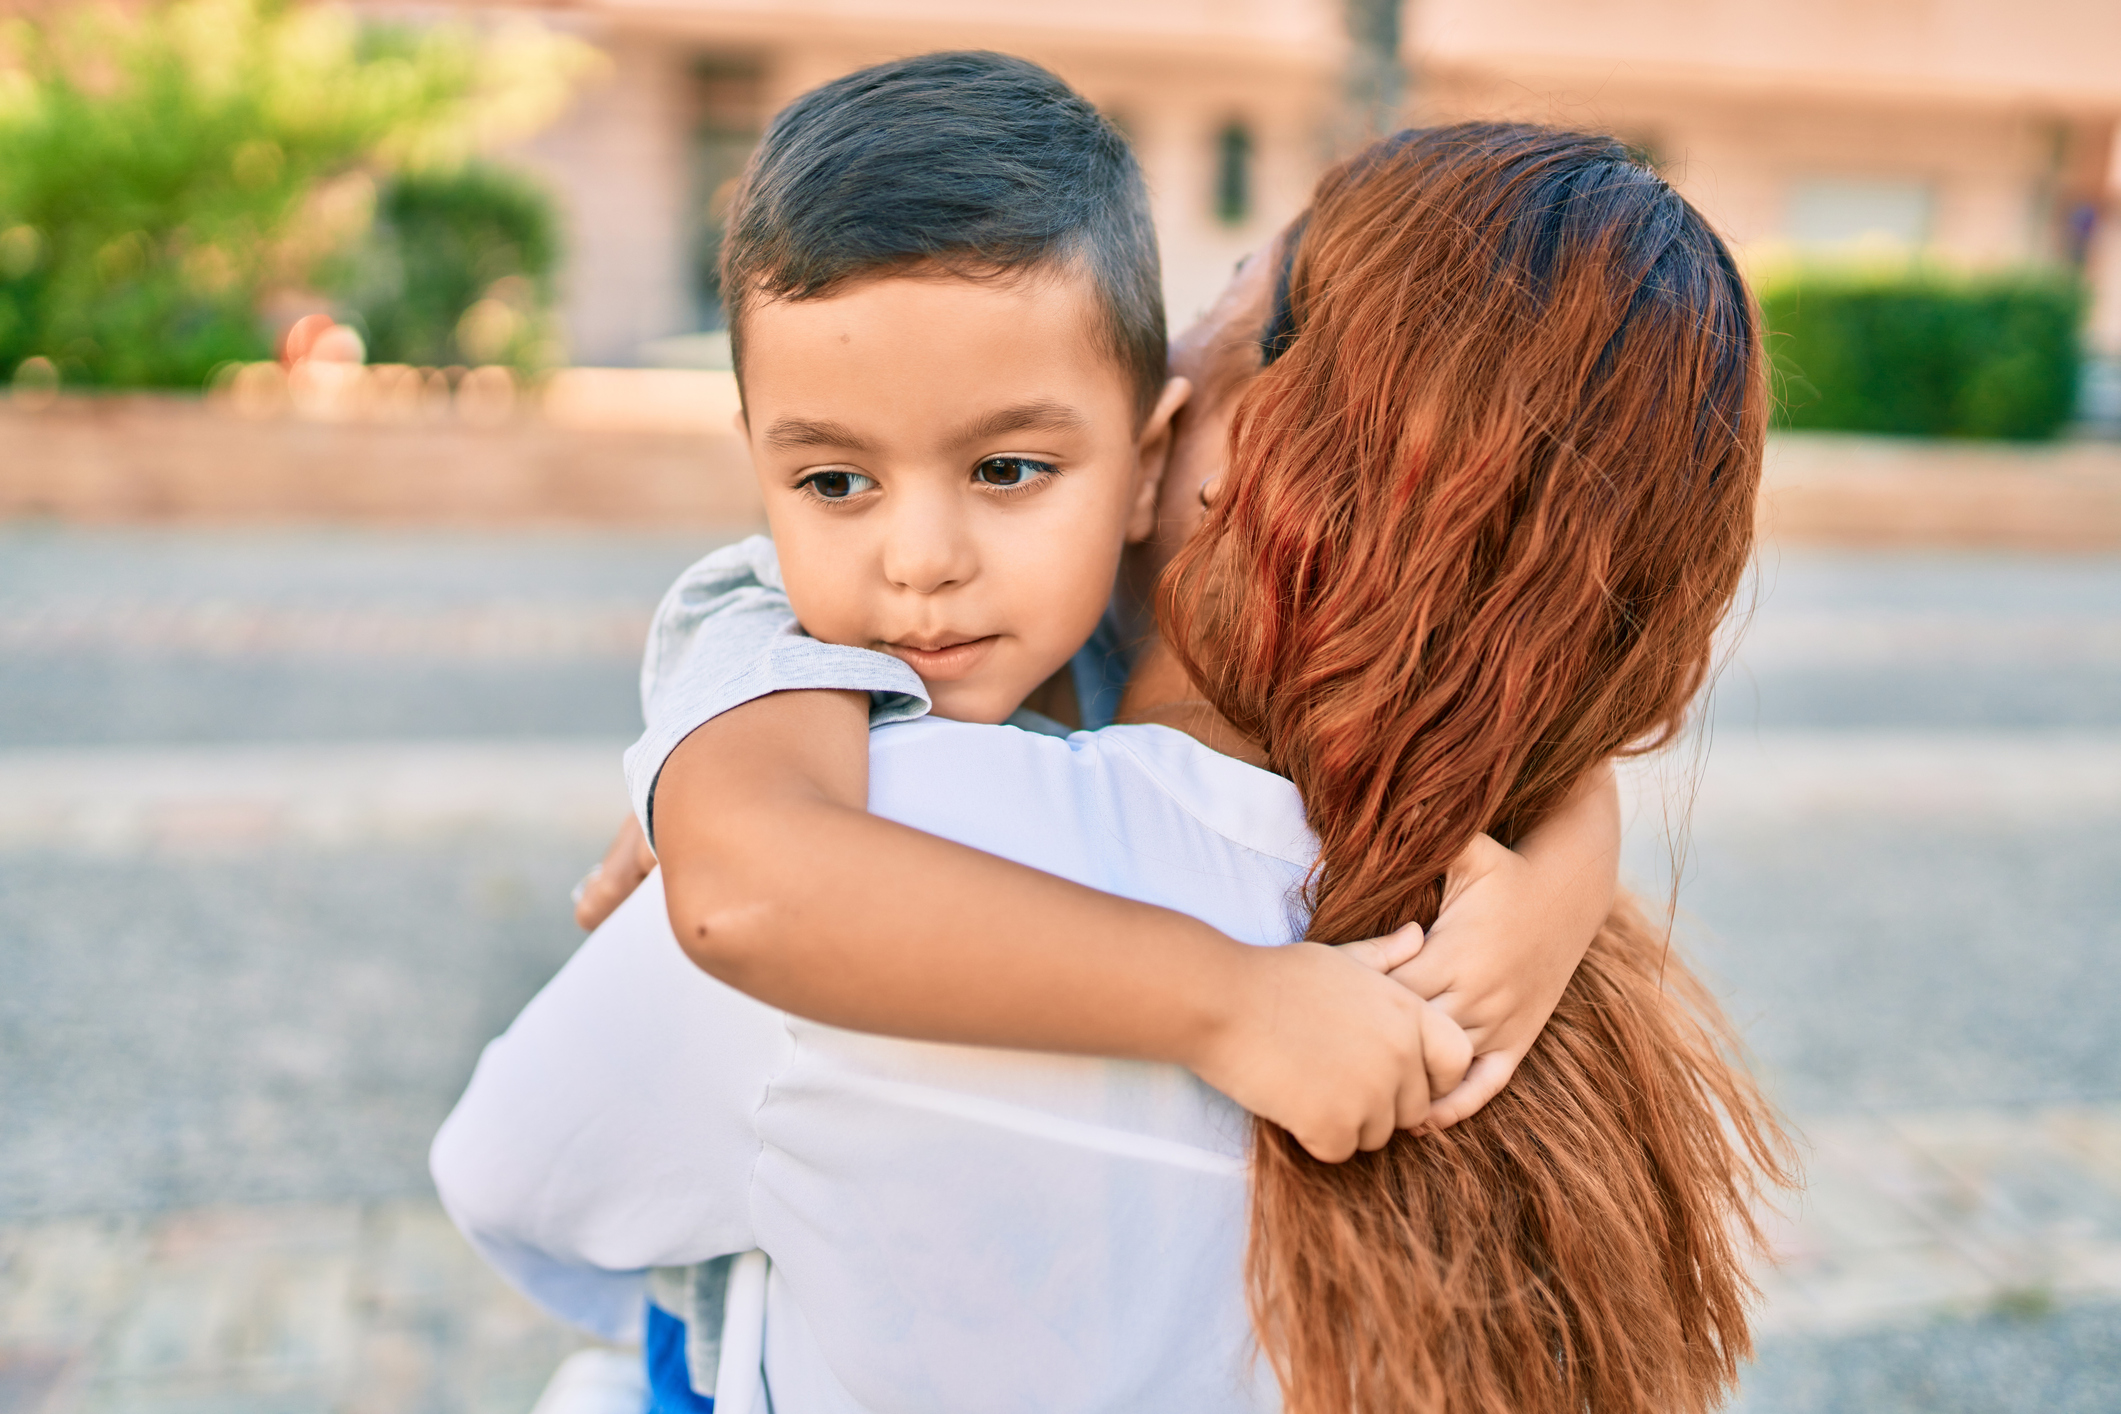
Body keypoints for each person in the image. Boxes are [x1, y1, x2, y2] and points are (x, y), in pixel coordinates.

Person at [436, 121, 1788, 1413]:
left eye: (1221, 294)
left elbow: (517, 1180)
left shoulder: (867, 852)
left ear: (1230, 459)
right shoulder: (1530, 976)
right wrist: (1569, 851)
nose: (1161, 354)